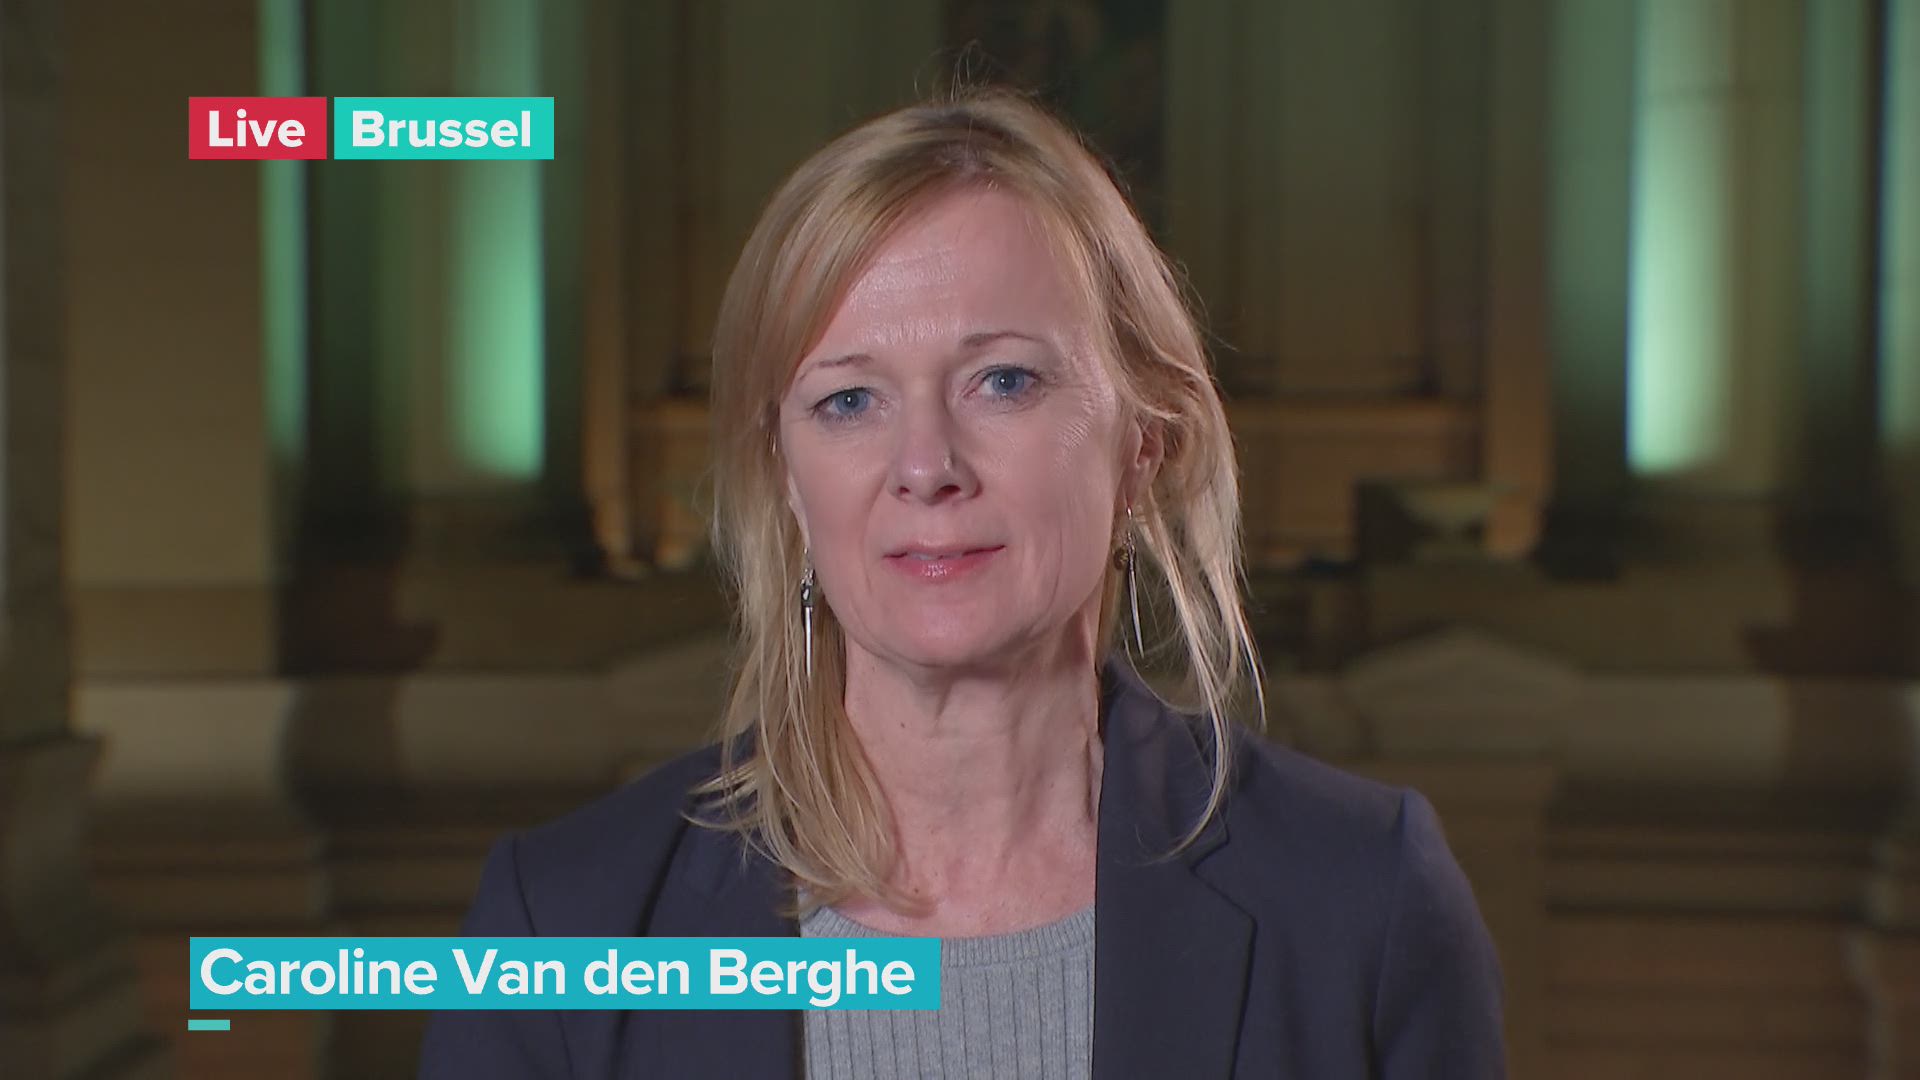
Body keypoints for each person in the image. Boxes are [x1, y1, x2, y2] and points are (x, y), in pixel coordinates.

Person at [418, 88, 1505, 1079]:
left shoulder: (1364, 901)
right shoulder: (559, 926)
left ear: (1143, 441)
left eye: (1004, 381)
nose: (926, 465)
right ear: (784, 473)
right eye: (849, 401)